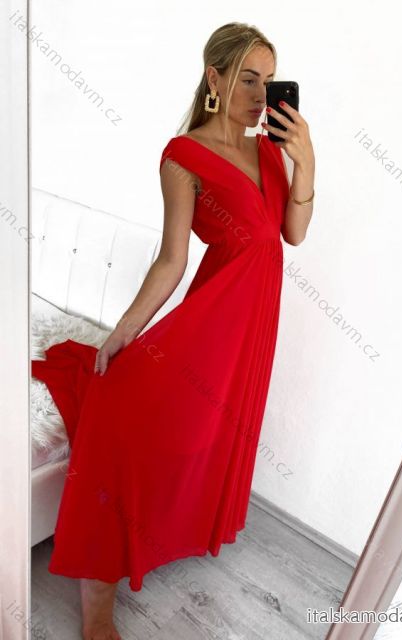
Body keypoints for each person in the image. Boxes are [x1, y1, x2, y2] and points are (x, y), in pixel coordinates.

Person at [31, 21, 315, 640]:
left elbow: (292, 235)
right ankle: (98, 592)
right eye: (248, 78)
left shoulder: (271, 151)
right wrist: (122, 333)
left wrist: (307, 163)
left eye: (269, 81)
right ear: (214, 76)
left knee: (205, 437)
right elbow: (171, 260)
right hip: (210, 325)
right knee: (127, 424)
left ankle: (166, 533)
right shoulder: (183, 155)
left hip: (252, 331)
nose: (261, 95)